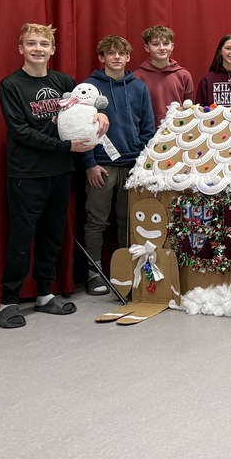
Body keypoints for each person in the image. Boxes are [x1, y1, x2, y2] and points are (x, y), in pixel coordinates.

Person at [0, 23, 110, 328]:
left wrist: (101, 114)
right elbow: (20, 131)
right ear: (21, 49)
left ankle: (44, 294)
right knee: (22, 237)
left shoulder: (62, 82)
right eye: (31, 44)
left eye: (43, 45)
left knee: (52, 235)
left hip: (60, 172)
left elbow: (86, 105)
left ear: (52, 50)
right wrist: (65, 145)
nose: (37, 49)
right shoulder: (11, 85)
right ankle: (8, 301)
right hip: (27, 174)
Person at [81, 35, 156, 295]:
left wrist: (142, 164)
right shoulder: (89, 88)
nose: (116, 57)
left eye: (121, 53)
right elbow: (81, 129)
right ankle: (94, 273)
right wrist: (89, 163)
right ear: (101, 58)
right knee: (97, 220)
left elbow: (147, 128)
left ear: (127, 57)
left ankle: (128, 271)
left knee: (128, 221)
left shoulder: (139, 88)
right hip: (101, 166)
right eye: (110, 53)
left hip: (133, 167)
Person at [134, 25, 194, 124]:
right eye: (156, 44)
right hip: (148, 135)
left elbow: (189, 108)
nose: (162, 48)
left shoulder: (184, 75)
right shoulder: (137, 77)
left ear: (172, 46)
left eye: (166, 43)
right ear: (147, 47)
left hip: (177, 132)